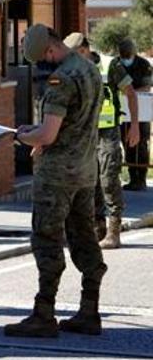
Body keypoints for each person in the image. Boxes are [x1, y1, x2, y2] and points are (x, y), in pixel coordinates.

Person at [5, 25, 107, 338]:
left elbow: (48, 135)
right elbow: (70, 124)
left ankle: (43, 313)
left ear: (50, 51)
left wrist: (23, 136)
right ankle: (89, 311)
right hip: (86, 172)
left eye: (43, 59)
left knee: (47, 241)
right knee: (84, 239)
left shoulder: (60, 78)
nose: (45, 65)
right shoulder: (90, 70)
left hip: (57, 176)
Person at [65, 33, 140, 250]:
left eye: (76, 54)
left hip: (108, 132)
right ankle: (97, 229)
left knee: (108, 178)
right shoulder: (73, 69)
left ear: (85, 49)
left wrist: (134, 126)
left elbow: (131, 94)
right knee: (90, 180)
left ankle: (114, 231)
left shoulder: (110, 66)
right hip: (85, 134)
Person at [117, 38, 152, 192]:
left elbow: (146, 87)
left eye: (128, 55)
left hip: (141, 111)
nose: (126, 59)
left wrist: (130, 94)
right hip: (123, 111)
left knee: (141, 144)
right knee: (127, 143)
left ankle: (141, 178)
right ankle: (132, 178)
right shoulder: (117, 64)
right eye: (123, 55)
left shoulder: (144, 65)